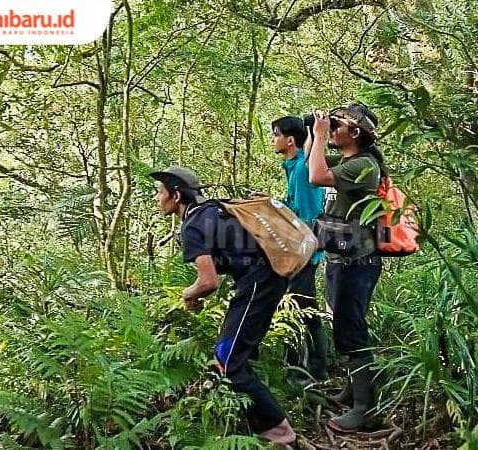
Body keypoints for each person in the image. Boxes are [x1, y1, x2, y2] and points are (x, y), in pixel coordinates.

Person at [150, 166, 296, 446]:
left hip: (259, 282)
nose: (157, 199)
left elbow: (208, 282)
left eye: (160, 193)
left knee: (226, 357)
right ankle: (246, 418)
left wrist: (188, 294)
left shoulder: (192, 226)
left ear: (176, 196)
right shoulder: (212, 210)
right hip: (268, 277)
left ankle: (278, 431)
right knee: (240, 351)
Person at [306, 103, 388, 432]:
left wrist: (322, 135)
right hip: (344, 259)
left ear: (355, 133)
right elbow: (315, 159)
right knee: (344, 325)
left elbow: (315, 176)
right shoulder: (353, 161)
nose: (334, 129)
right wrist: (318, 132)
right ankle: (353, 391)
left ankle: (365, 409)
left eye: (339, 125)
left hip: (358, 262)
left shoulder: (365, 166)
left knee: (352, 332)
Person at [271, 116, 328, 385]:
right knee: (296, 309)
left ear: (290, 140)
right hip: (295, 252)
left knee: (304, 311)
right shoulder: (293, 167)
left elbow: (306, 218)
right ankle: (297, 368)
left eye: (275, 134)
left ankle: (313, 372)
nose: (273, 140)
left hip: (303, 253)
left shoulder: (303, 172)